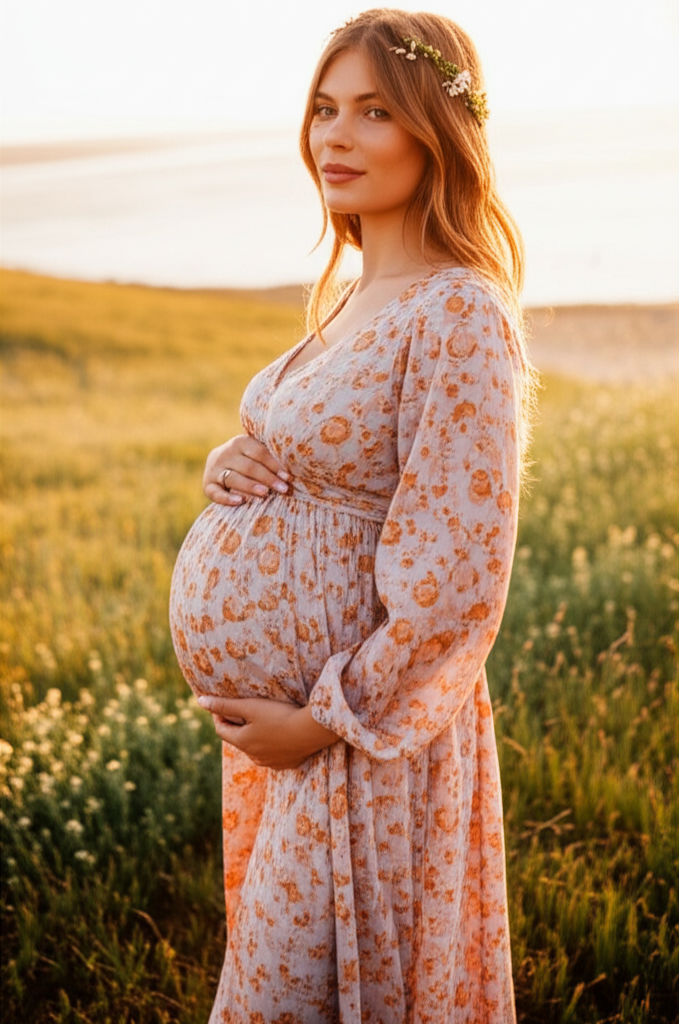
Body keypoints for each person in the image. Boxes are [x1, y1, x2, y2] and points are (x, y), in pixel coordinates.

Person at [169, 8, 536, 1022]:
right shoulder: (351, 297)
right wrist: (233, 458)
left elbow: (459, 580)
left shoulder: (456, 310)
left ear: (439, 132)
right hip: (297, 745)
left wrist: (323, 720)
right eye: (324, 109)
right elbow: (331, 464)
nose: (334, 135)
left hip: (367, 745)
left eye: (373, 110)